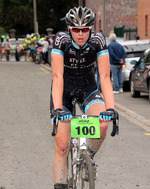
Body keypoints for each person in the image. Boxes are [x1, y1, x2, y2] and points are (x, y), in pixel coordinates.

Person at [50, 6, 118, 189]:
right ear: (69, 29)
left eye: (85, 29)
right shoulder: (61, 40)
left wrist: (111, 108)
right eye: (76, 30)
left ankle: (88, 158)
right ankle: (61, 183)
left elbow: (104, 77)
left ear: (91, 29)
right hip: (64, 91)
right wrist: (57, 108)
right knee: (62, 147)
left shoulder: (97, 40)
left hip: (87, 89)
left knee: (103, 122)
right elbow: (57, 76)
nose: (81, 34)